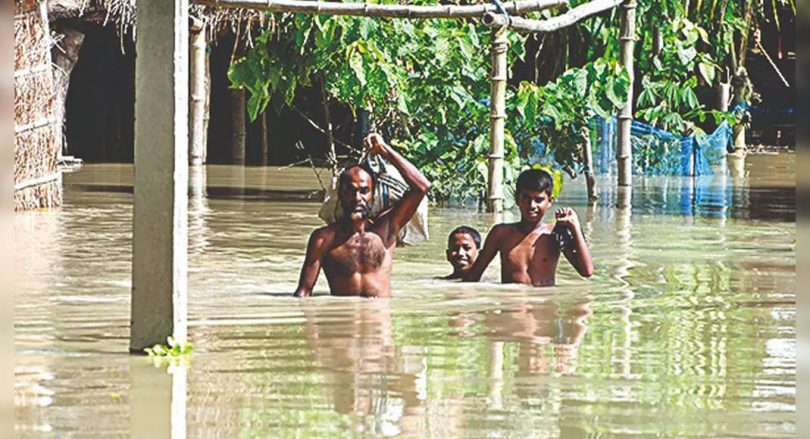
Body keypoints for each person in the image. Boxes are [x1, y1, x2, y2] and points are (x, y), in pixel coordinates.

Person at [293, 133, 430, 298]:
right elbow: (304, 293)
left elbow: (421, 187)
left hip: (379, 313)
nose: (357, 198)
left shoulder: (386, 228)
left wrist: (384, 150)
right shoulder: (324, 239)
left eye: (364, 191)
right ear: (340, 194)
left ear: (373, 195)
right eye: (350, 191)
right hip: (343, 314)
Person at [462, 168, 593, 286]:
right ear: (517, 199)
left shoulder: (555, 233)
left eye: (539, 200)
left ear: (550, 201)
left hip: (544, 303)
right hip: (512, 303)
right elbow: (474, 276)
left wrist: (575, 226)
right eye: (526, 198)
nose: (532, 205)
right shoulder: (501, 233)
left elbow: (586, 271)